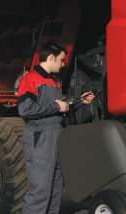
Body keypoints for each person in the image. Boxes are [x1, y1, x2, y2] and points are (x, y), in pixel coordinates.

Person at [17, 42, 95, 214]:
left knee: (55, 189)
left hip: (56, 137)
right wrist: (56, 107)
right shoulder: (30, 79)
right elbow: (25, 109)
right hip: (41, 138)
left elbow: (61, 107)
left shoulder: (54, 81)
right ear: (51, 58)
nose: (63, 63)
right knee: (40, 191)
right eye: (61, 60)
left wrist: (80, 101)